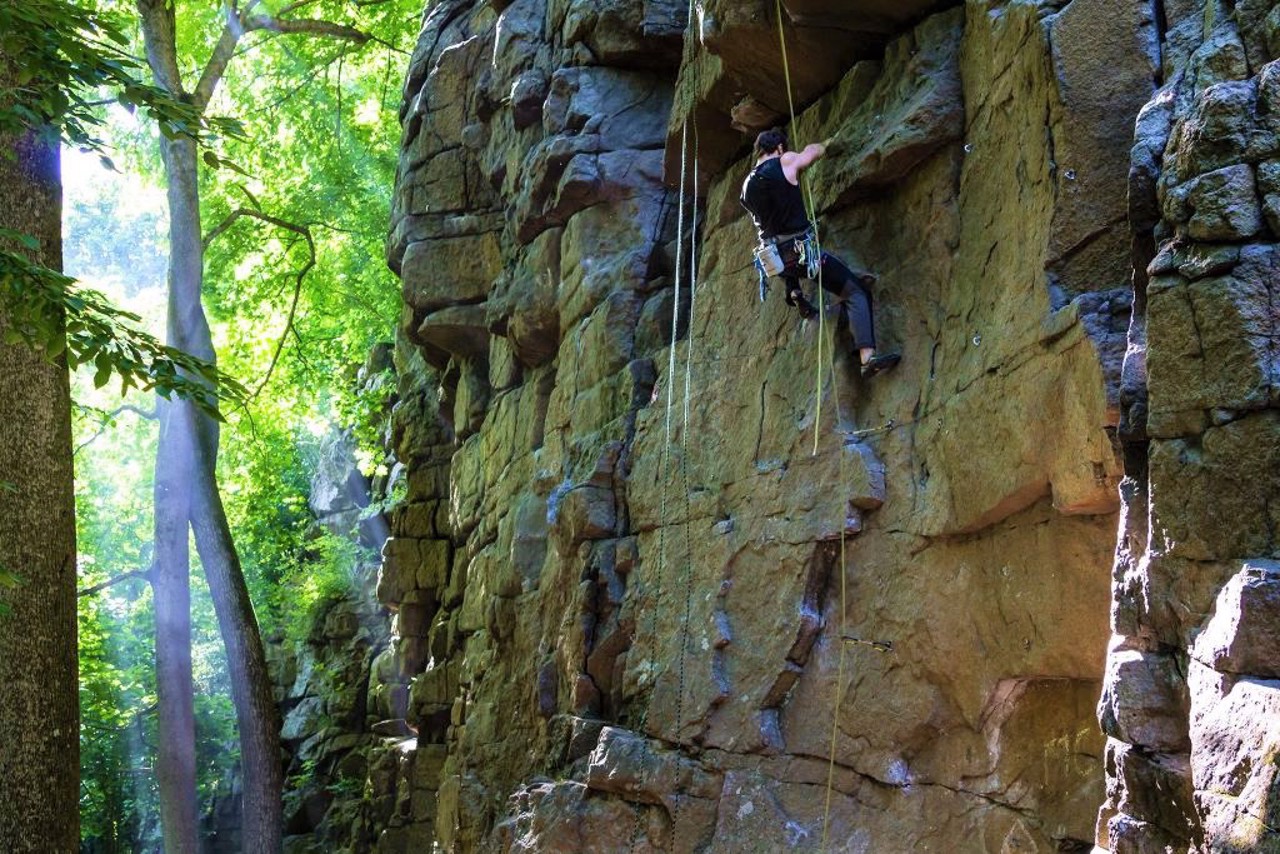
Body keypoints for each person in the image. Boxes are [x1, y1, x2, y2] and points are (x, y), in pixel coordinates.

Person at [740, 127, 900, 378]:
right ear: (779, 148)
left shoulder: (747, 184)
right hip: (801, 252)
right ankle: (867, 360)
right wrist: (827, 143)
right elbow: (810, 153)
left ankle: (795, 292)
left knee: (793, 261)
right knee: (856, 292)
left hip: (776, 258)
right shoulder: (784, 161)